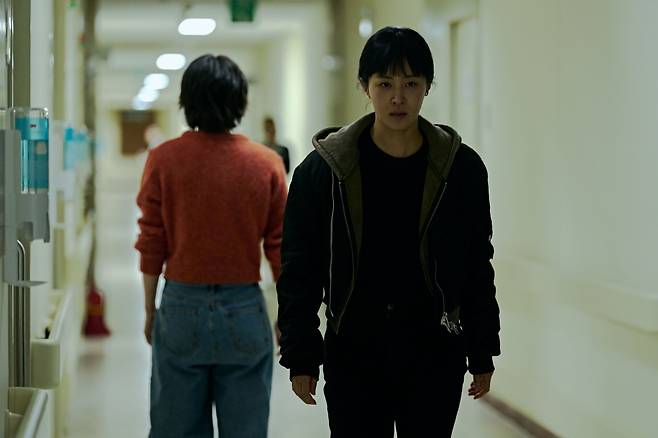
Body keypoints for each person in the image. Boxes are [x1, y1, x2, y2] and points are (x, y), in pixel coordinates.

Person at [276, 27, 501, 437]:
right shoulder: (324, 171)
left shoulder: (460, 169)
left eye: (411, 83)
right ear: (365, 86)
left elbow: (475, 262)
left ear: (427, 86)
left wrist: (482, 347)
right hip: (354, 352)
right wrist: (301, 354)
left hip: (434, 352)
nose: (398, 97)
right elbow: (300, 267)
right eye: (385, 84)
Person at [135, 54, 287, 438]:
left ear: (187, 102)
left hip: (181, 306)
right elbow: (281, 246)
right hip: (244, 308)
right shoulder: (267, 163)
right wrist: (288, 314)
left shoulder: (163, 160)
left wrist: (151, 310)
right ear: (240, 102)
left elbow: (152, 240)